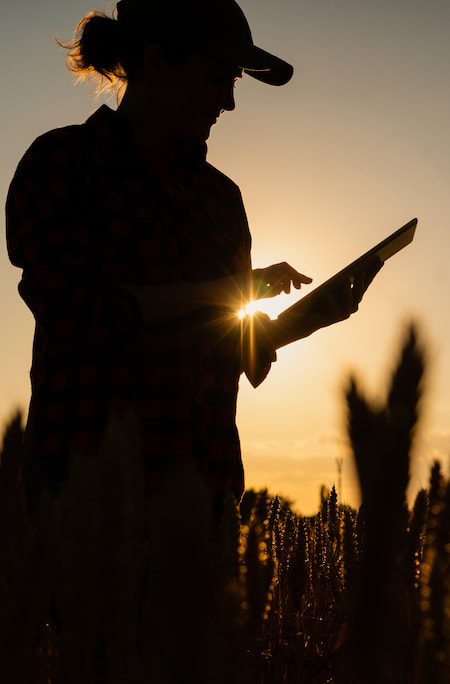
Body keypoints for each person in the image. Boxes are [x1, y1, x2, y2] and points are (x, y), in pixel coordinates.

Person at [6, 0, 377, 519]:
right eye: (214, 78)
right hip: (88, 502)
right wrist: (227, 292)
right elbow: (76, 308)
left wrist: (303, 321)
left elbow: (224, 345)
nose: (227, 101)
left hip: (207, 499)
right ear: (155, 61)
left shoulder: (221, 198)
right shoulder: (62, 162)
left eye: (233, 83)